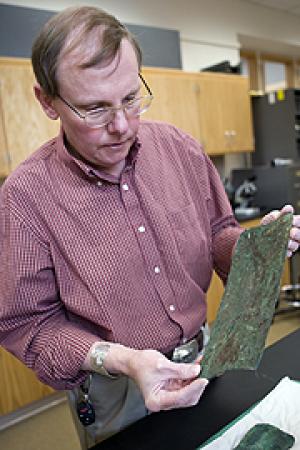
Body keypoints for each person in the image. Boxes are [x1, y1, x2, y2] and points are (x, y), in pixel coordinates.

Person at [0, 5, 299, 446]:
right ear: (47, 101)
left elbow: (217, 232)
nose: (121, 125)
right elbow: (29, 323)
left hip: (206, 356)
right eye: (94, 109)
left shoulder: (178, 148)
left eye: (129, 98)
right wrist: (122, 359)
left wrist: (253, 249)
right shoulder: (26, 197)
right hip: (115, 391)